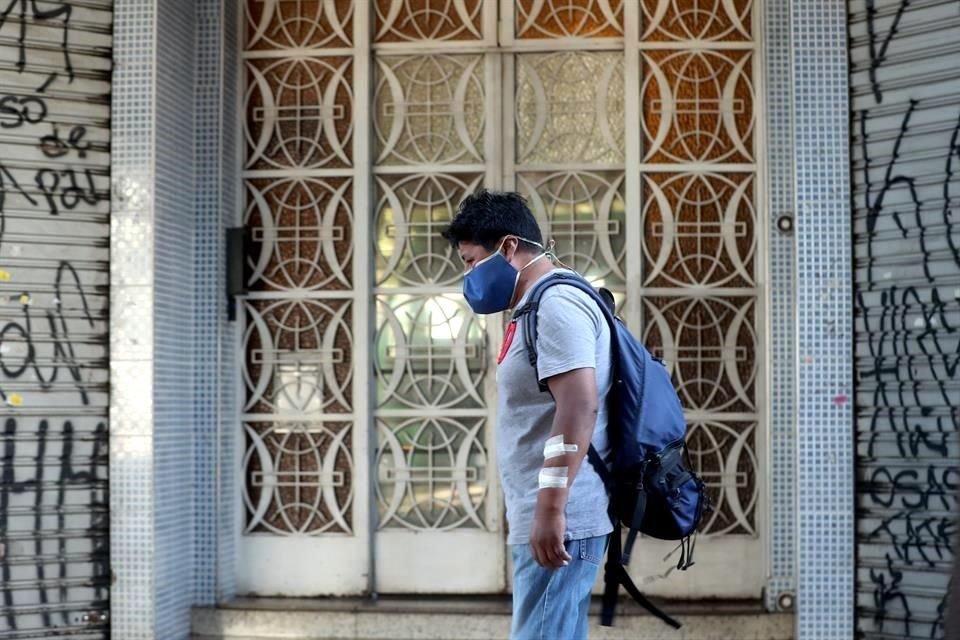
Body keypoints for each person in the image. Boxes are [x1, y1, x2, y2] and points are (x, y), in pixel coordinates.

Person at [442, 189, 613, 640]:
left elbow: (579, 405)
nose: (468, 274)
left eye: (470, 260)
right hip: (550, 515)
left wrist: (551, 508)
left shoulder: (556, 305)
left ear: (508, 247)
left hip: (562, 519)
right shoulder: (536, 304)